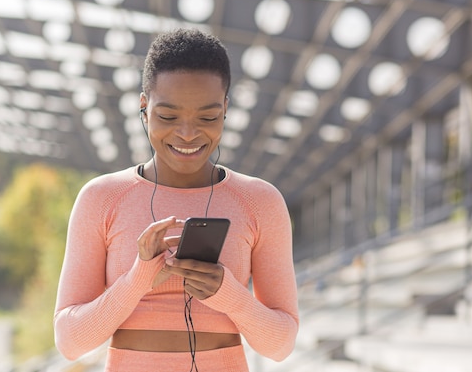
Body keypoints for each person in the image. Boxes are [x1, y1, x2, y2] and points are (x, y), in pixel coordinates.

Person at [54, 28, 299, 372]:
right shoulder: (101, 198)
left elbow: (280, 345)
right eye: (168, 116)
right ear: (144, 107)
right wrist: (139, 278)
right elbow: (70, 342)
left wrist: (227, 292)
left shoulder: (260, 201)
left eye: (208, 117)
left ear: (226, 109)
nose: (187, 134)